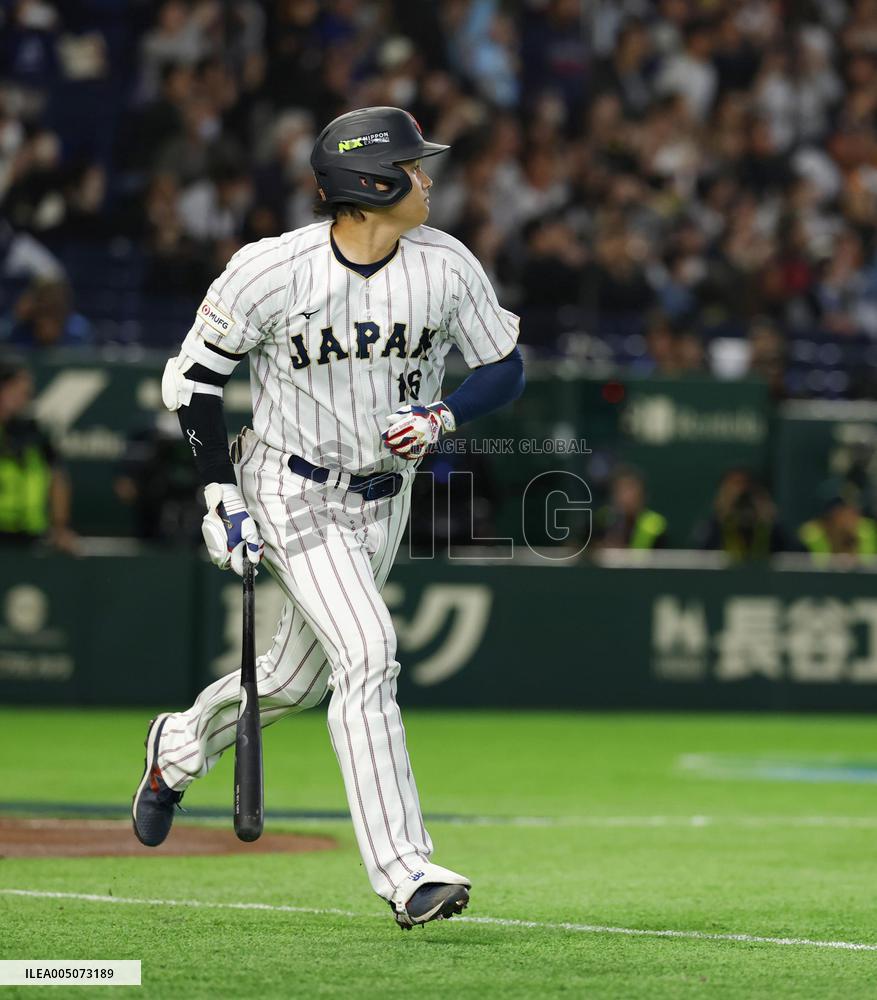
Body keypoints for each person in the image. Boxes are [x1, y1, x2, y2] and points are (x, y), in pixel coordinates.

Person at [131, 107, 525, 929]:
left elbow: (505, 366)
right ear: (370, 184)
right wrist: (220, 495)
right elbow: (194, 382)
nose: (426, 179)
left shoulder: (445, 264)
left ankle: (176, 747)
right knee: (370, 653)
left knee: (294, 680)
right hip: (289, 485)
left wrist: (443, 414)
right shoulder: (271, 269)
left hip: (383, 496)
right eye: (411, 168)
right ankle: (406, 872)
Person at [0, 360, 76, 551]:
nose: (24, 399)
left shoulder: (36, 433)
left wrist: (60, 528)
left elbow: (58, 478)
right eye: (17, 392)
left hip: (31, 535)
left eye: (27, 394)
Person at [594, 467, 668, 550]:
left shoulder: (655, 524)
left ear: (642, 495)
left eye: (630, 490)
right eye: (621, 491)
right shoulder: (603, 518)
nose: (625, 497)